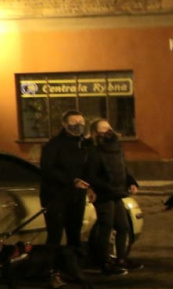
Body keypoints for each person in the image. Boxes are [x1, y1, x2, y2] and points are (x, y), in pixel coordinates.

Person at [85, 118, 139, 275]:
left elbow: (123, 167)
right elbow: (91, 175)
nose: (108, 131)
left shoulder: (116, 147)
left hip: (117, 193)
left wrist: (131, 181)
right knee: (106, 227)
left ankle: (121, 258)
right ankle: (104, 262)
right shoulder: (93, 151)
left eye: (108, 127)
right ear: (95, 133)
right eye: (103, 129)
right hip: (104, 194)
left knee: (123, 226)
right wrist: (102, 187)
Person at [39, 111, 92, 252]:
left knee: (74, 234)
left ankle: (72, 267)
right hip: (56, 196)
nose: (78, 126)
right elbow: (47, 169)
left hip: (76, 196)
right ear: (64, 124)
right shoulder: (54, 145)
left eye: (81, 123)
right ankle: (50, 267)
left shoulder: (84, 145)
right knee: (55, 235)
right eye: (74, 123)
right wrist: (71, 181)